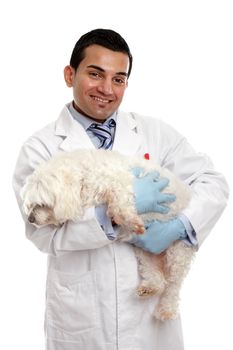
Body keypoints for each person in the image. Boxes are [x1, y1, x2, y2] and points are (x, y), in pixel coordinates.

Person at [13, 28, 229, 350]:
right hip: (83, 317)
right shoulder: (40, 149)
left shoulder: (154, 132)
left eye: (119, 79)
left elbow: (213, 182)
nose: (106, 89)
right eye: (95, 74)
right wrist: (108, 218)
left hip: (148, 321)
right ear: (69, 75)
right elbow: (42, 233)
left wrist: (178, 227)